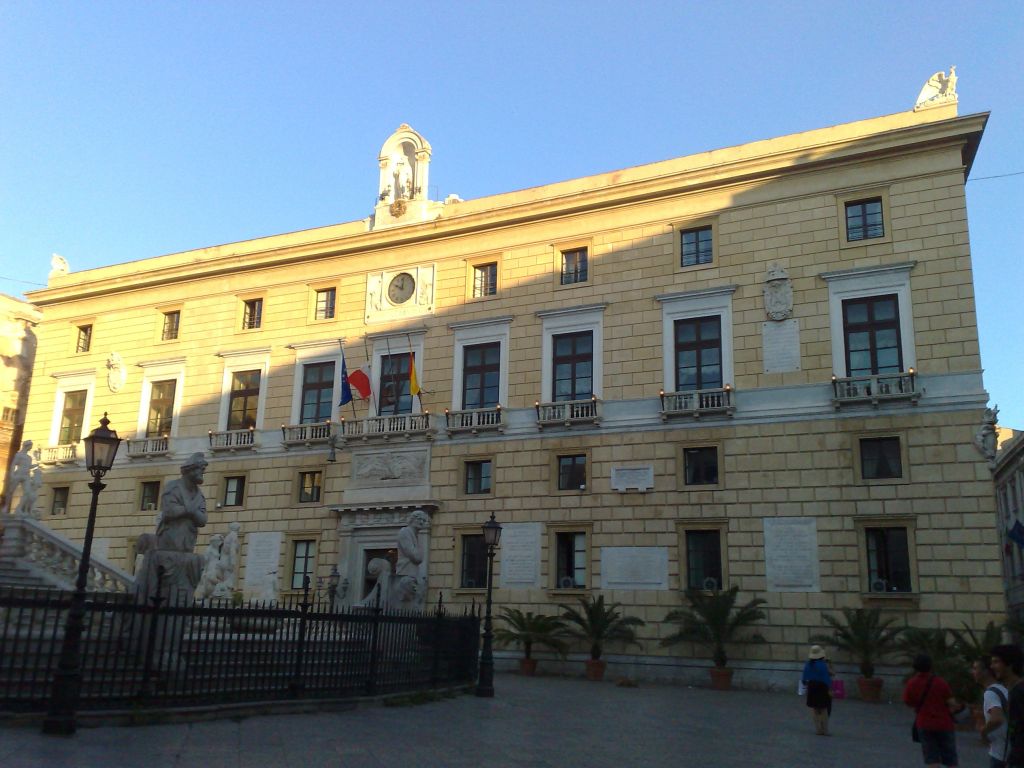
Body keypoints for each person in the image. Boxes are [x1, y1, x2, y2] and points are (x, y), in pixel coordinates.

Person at [903, 654, 961, 768]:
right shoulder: (941, 682)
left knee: (932, 757)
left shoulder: (911, 683)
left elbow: (907, 701)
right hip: (944, 724)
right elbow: (952, 702)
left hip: (924, 723)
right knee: (950, 759)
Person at [974, 654, 1009, 768]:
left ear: (986, 672)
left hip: (1000, 752)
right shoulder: (1002, 689)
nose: (973, 672)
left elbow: (997, 719)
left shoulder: (991, 693)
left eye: (975, 668)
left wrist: (984, 732)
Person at [992, 644, 1023, 767]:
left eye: (996, 662)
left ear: (1009, 664)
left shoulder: (1019, 692)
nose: (992, 666)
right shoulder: (1013, 690)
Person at [802, 644, 833, 735]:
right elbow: (826, 678)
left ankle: (818, 730)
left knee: (815, 709)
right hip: (822, 687)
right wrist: (830, 689)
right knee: (824, 709)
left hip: (812, 686)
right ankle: (825, 730)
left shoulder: (808, 664)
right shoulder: (822, 665)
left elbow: (804, 677)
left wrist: (806, 685)